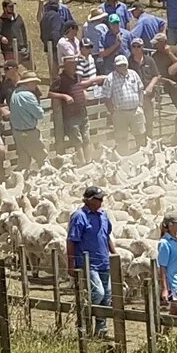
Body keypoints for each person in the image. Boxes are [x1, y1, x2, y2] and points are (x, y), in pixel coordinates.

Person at [67, 187, 115, 336]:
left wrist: (114, 254)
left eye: (101, 199)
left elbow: (106, 236)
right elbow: (71, 241)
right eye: (97, 199)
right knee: (98, 293)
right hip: (88, 263)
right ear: (88, 200)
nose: (101, 202)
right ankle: (83, 316)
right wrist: (71, 264)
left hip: (104, 261)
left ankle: (101, 329)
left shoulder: (103, 215)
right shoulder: (79, 216)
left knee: (107, 296)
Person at [102, 55, 146, 152]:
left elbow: (140, 89)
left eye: (123, 65)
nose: (122, 67)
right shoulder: (110, 78)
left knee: (140, 134)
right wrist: (112, 111)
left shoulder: (133, 74)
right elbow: (106, 97)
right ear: (115, 66)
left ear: (127, 64)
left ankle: (142, 155)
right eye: (119, 65)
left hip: (135, 110)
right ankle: (123, 156)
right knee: (121, 137)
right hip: (120, 112)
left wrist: (140, 105)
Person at [5, 70, 47, 167]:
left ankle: (22, 179)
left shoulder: (15, 93)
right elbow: (39, 114)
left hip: (18, 132)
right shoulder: (28, 96)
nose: (36, 85)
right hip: (29, 132)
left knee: (24, 160)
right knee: (42, 158)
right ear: (30, 83)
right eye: (35, 83)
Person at [39, 0, 77, 73]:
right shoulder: (46, 10)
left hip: (60, 41)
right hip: (55, 42)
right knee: (57, 64)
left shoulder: (63, 9)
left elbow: (71, 23)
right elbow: (41, 21)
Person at [0, 0, 32, 69]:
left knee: (30, 67)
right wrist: (1, 38)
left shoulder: (18, 18)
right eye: (10, 7)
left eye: (12, 6)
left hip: (21, 49)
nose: (12, 8)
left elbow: (23, 33)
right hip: (9, 50)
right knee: (12, 69)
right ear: (5, 8)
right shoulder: (1, 21)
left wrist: (25, 46)